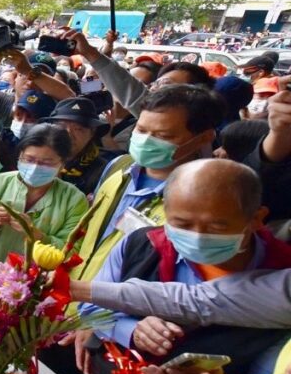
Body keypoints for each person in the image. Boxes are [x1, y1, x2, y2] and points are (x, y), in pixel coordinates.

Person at [78, 159, 290, 374]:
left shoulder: (278, 283)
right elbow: (92, 310)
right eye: (181, 222)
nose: (197, 237)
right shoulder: (140, 245)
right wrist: (130, 330)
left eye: (216, 226)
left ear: (256, 219)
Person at [70, 85, 224, 281]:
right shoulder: (118, 167)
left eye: (163, 136)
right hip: (74, 298)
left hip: (125, 307)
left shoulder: (204, 201)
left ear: (204, 138)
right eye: (141, 130)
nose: (145, 141)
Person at [0, 124, 88, 264]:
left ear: (62, 164)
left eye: (46, 163)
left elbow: (72, 253)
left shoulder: (74, 200)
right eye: (29, 160)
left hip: (36, 282)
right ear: (20, 155)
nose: (35, 167)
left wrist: (38, 236)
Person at [41, 97, 114, 195]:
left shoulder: (103, 172)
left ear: (92, 134)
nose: (68, 134)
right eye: (61, 126)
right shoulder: (36, 158)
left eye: (79, 129)